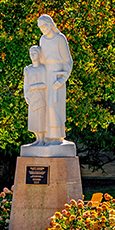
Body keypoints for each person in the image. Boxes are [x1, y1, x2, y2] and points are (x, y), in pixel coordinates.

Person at [37, 14, 73, 144]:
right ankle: (45, 136)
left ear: (50, 24)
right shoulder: (42, 40)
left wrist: (62, 79)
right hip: (45, 74)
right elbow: (41, 59)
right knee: (44, 106)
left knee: (55, 105)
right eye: (40, 27)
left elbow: (68, 61)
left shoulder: (60, 38)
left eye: (44, 26)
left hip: (57, 75)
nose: (43, 29)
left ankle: (56, 136)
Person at [23, 46, 47, 145]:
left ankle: (42, 140)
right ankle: (37, 139)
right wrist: (26, 95)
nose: (32, 56)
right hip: (32, 98)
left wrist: (34, 86)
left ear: (40, 54)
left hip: (41, 97)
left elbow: (45, 84)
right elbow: (25, 84)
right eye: (31, 54)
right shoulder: (28, 69)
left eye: (35, 53)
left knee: (40, 118)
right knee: (34, 119)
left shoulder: (43, 68)